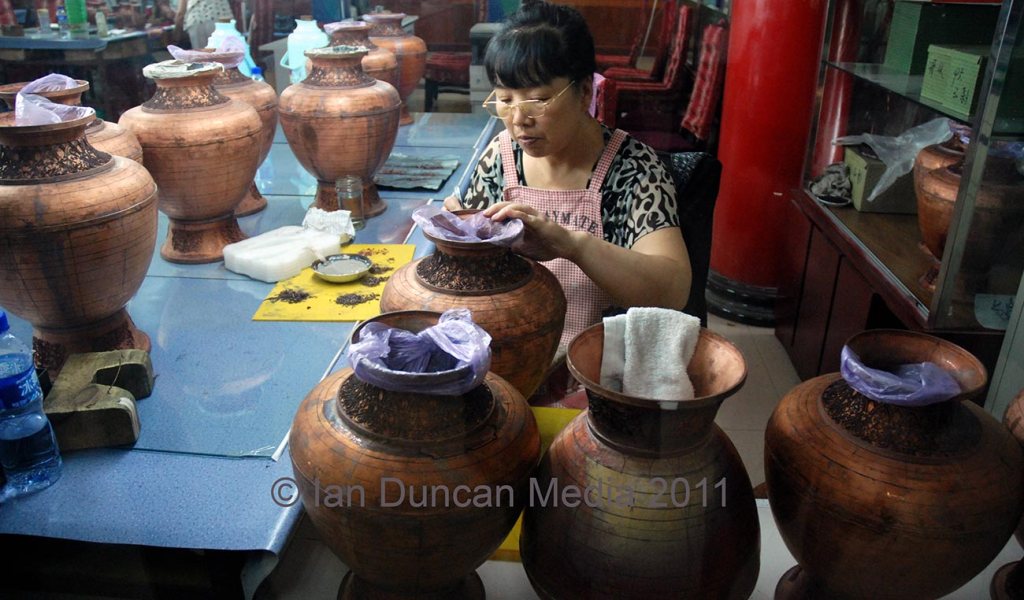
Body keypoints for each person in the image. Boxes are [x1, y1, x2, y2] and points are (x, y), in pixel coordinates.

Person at [445, 0, 691, 371]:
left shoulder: (632, 169)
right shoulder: (500, 159)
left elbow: (672, 291)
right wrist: (458, 234)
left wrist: (573, 245)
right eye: (505, 99)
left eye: (538, 99)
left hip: (599, 372)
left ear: (585, 92)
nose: (518, 119)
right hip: (513, 358)